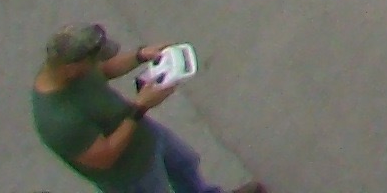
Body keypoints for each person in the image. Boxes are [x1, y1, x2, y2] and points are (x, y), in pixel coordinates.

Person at [27, 25, 250, 193]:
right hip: (132, 175)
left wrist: (141, 55)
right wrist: (140, 106)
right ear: (71, 69)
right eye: (93, 59)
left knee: (186, 165)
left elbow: (104, 69)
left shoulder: (68, 70)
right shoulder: (58, 121)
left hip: (147, 137)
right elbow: (105, 156)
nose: (99, 62)